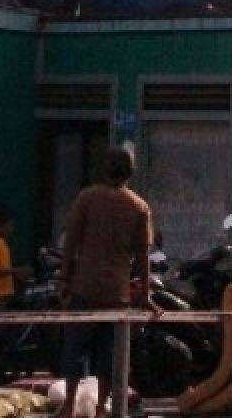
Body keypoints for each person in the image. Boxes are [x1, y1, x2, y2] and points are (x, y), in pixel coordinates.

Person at [56, 145, 155, 418]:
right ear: (131, 173)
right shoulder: (138, 207)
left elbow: (71, 241)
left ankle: (69, 404)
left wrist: (64, 278)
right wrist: (145, 295)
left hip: (84, 288)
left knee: (75, 348)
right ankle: (101, 408)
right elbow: (144, 257)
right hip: (116, 293)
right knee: (108, 356)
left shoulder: (87, 198)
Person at [0, 204, 27, 302]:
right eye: (10, 225)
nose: (12, 229)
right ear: (1, 224)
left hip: (2, 295)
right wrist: (16, 271)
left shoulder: (0, 242)